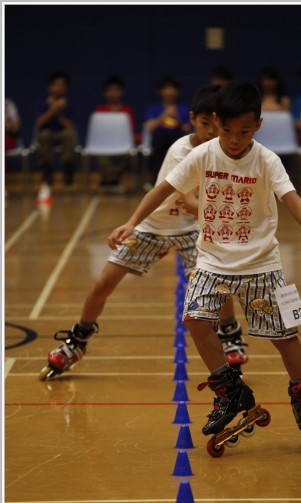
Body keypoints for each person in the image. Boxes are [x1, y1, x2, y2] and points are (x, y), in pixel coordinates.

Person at [107, 82, 301, 446]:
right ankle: (229, 389)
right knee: (195, 319)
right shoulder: (203, 154)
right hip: (213, 261)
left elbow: (291, 196)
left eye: (244, 131)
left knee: (285, 335)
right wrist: (132, 222)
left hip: (262, 264)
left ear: (258, 125)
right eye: (227, 130)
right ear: (214, 121)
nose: (235, 140)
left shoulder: (267, 160)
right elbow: (162, 190)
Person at [39, 84, 248, 381]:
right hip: (155, 226)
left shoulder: (226, 152)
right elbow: (189, 201)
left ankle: (230, 335)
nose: (212, 132)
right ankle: (78, 339)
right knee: (103, 283)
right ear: (192, 119)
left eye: (218, 126)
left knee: (218, 283)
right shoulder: (182, 151)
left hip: (193, 230)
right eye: (205, 124)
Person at [144, 75, 190, 183]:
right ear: (160, 91)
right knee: (158, 148)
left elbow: (187, 130)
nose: (169, 92)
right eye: (166, 88)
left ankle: (180, 181)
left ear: (177, 91)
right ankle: (155, 180)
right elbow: (150, 128)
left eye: (172, 88)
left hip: (178, 139)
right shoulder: (154, 108)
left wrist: (177, 119)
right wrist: (163, 115)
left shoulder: (183, 109)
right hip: (159, 139)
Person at [94, 75, 136, 191]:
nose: (113, 93)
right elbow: (97, 132)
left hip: (123, 143)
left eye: (116, 90)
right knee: (100, 153)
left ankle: (108, 180)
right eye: (110, 90)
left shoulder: (127, 110)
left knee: (130, 152)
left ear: (121, 92)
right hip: (103, 143)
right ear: (105, 93)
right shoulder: (99, 110)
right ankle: (113, 180)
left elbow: (131, 131)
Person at [35, 71, 77, 187]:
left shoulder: (69, 105)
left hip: (63, 134)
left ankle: (68, 171)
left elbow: (71, 126)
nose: (58, 88)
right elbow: (39, 123)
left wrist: (58, 112)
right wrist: (52, 110)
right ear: (49, 87)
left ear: (66, 88)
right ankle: (47, 172)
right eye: (55, 85)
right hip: (48, 134)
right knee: (44, 135)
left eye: (61, 85)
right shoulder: (43, 104)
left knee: (69, 134)